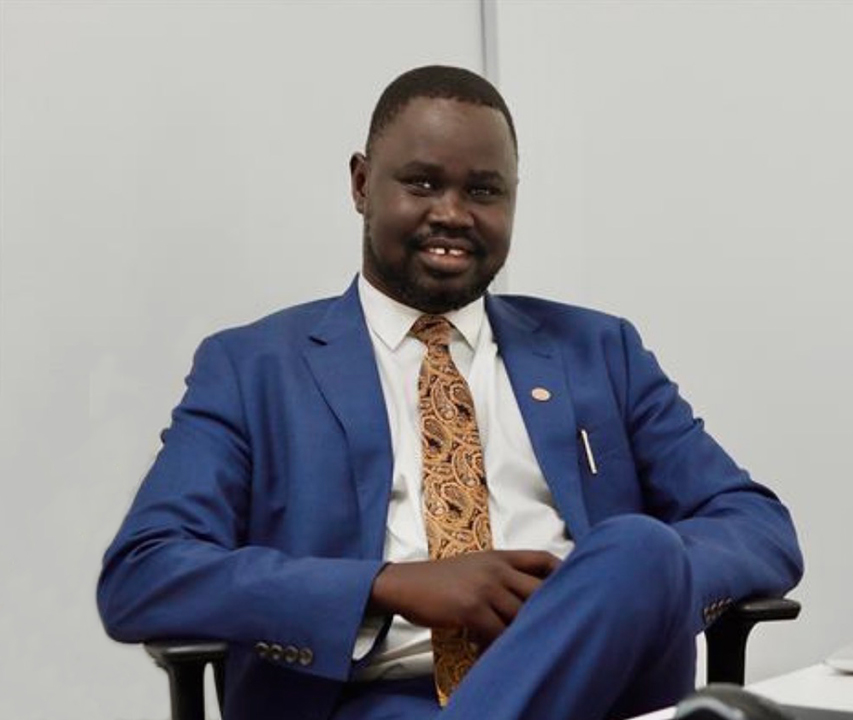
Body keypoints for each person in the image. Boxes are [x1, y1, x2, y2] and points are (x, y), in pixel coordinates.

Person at [97, 65, 803, 720]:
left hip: (597, 692)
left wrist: (595, 594)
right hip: (367, 702)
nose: (454, 214)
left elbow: (757, 526)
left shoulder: (599, 351)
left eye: (484, 191)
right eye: (424, 184)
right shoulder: (254, 368)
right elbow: (144, 572)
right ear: (360, 184)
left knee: (641, 552)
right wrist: (387, 587)